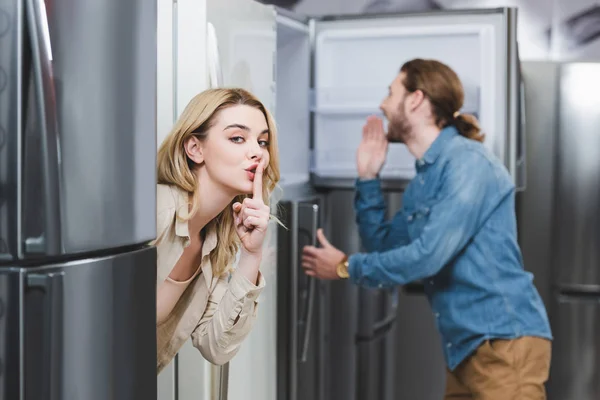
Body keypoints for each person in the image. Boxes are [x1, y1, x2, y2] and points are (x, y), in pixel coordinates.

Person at [302, 59, 552, 399]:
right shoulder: (423, 182)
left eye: (391, 93)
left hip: (503, 344)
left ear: (416, 100)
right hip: (464, 350)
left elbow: (428, 256)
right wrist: (367, 178)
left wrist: (347, 266)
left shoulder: (469, 163)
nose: (382, 104)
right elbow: (385, 250)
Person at [154, 88, 279, 374]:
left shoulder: (214, 243)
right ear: (195, 148)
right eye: (238, 138)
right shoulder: (158, 210)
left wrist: (251, 255)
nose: (257, 153)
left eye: (262, 142)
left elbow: (217, 347)